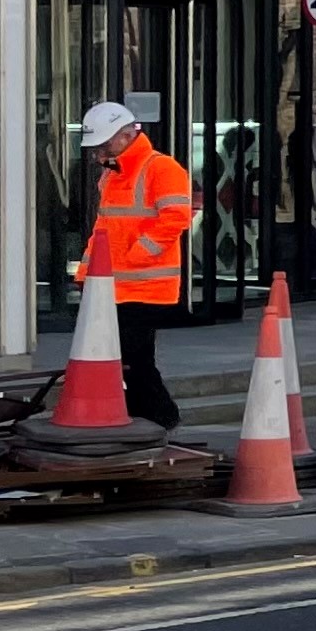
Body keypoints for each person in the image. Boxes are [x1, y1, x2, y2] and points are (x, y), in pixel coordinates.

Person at [74, 101, 194, 428]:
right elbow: (103, 229)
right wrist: (87, 272)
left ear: (126, 136)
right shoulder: (113, 175)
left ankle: (159, 417)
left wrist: (138, 253)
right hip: (119, 285)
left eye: (105, 144)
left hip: (146, 286)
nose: (99, 152)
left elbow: (176, 218)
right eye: (96, 147)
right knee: (128, 359)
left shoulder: (161, 168)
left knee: (134, 359)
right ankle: (144, 418)